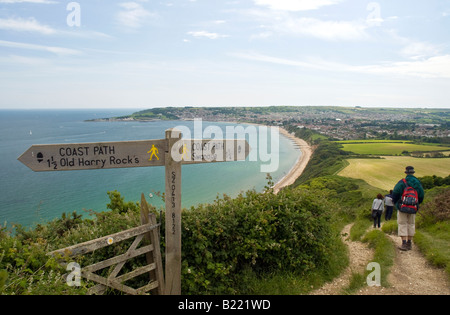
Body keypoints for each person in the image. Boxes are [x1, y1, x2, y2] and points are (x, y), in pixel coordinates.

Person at [392, 166, 425, 251]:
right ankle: (409, 243)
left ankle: (403, 243)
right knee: (411, 224)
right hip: (413, 207)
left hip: (402, 206)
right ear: (413, 173)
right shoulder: (418, 183)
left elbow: (395, 193)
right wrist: (416, 204)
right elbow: (421, 195)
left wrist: (396, 202)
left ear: (406, 173)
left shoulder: (402, 182)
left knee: (402, 223)